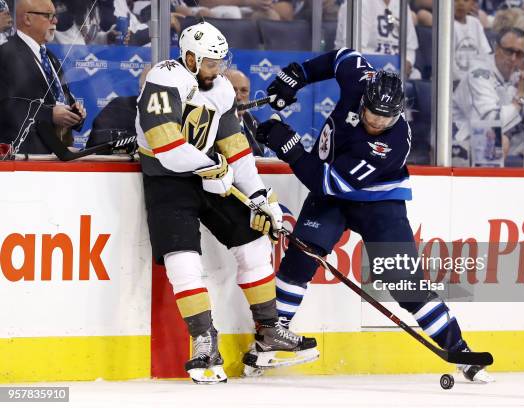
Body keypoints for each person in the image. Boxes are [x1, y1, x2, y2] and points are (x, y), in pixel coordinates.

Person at [253, 47, 494, 383]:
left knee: (406, 285)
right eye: (373, 113)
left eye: (387, 117)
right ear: (364, 97)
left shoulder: (391, 143)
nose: (377, 121)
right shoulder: (361, 80)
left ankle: (462, 353)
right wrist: (299, 74)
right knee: (301, 258)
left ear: (399, 113)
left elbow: (327, 184)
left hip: (377, 203)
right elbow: (342, 56)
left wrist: (287, 143)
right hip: (334, 191)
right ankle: (266, 342)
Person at [135, 21, 317, 384]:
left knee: (252, 243)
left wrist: (260, 196)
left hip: (208, 175)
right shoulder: (164, 78)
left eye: (220, 62)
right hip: (167, 182)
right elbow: (166, 147)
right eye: (210, 63)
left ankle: (268, 331)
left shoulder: (219, 89)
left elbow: (236, 148)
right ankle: (204, 341)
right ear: (189, 57)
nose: (217, 69)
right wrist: (210, 166)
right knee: (183, 261)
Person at [452, 27, 524, 164]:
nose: (513, 58)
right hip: (460, 142)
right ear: (496, 48)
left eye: (520, 53)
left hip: (507, 139)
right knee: (496, 142)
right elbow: (492, 122)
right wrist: (520, 97)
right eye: (509, 51)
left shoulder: (519, 76)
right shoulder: (479, 73)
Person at [0, 0, 86, 154]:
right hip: (24, 158)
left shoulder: (50, 57)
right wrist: (49, 115)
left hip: (58, 156)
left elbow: (59, 99)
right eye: (48, 15)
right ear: (27, 19)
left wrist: (74, 113)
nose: (55, 21)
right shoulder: (4, 54)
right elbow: (5, 105)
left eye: (55, 15)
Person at [335, 0, 419, 79]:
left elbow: (410, 47)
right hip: (363, 70)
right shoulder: (357, 3)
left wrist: (407, 62)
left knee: (416, 76)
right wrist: (386, 64)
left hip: (396, 70)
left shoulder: (401, 4)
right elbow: (355, 51)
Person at [225, 68, 268, 156]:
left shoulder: (253, 122)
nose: (239, 97)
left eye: (244, 91)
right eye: (233, 90)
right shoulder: (211, 125)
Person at [453, 0, 492, 84]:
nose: (461, 3)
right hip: (454, 82)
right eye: (455, 0)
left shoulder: (475, 23)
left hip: (477, 80)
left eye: (466, 0)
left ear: (473, 4)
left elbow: (485, 55)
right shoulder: (446, 25)